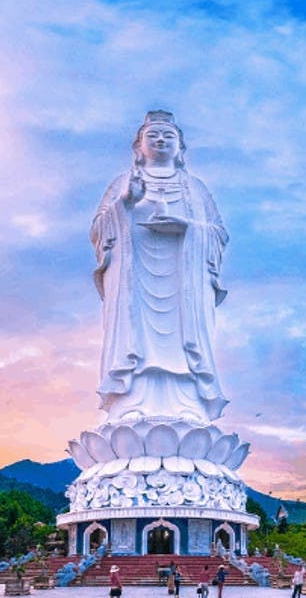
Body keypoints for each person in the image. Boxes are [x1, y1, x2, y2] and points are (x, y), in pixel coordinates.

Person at [91, 110, 229, 425]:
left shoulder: (195, 188)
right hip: (135, 279)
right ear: (138, 146)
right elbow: (98, 230)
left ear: (180, 148)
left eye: (169, 136)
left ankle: (188, 406)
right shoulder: (121, 184)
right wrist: (124, 203)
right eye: (152, 136)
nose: (161, 140)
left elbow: (219, 233)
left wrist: (188, 227)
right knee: (135, 335)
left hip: (184, 282)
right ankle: (130, 403)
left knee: (182, 342)